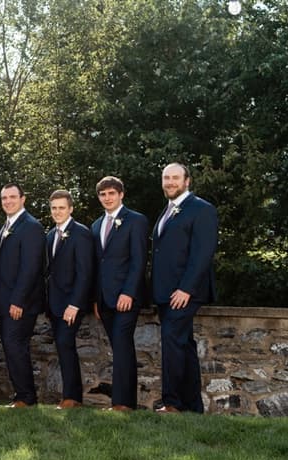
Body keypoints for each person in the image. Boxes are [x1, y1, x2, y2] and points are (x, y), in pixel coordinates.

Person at [152, 163, 218, 414]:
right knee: (184, 346)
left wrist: (186, 289)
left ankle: (172, 403)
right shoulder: (168, 210)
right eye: (166, 178)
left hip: (184, 293)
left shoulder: (202, 209)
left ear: (187, 181)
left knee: (172, 343)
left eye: (175, 178)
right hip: (166, 292)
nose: (170, 182)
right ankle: (193, 406)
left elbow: (202, 254)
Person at [91, 176, 148, 412]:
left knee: (123, 345)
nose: (107, 198)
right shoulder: (95, 226)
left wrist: (129, 293)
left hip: (126, 297)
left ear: (121, 194)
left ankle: (123, 403)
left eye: (111, 193)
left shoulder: (135, 220)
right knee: (118, 347)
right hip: (104, 299)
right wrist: (95, 299)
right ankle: (124, 401)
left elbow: (139, 260)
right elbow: (96, 264)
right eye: (103, 194)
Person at [0, 183, 44, 408]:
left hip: (20, 302)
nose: (8, 201)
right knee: (11, 346)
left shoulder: (31, 226)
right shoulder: (7, 225)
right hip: (5, 300)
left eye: (12, 197)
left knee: (15, 346)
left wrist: (18, 300)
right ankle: (21, 395)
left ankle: (26, 397)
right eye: (4, 198)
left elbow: (31, 267)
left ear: (23, 199)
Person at [45, 190, 94, 409]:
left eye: (61, 208)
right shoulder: (50, 235)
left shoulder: (80, 233)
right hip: (54, 303)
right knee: (62, 346)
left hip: (71, 303)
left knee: (66, 344)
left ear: (71, 209)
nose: (57, 212)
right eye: (54, 208)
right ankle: (70, 397)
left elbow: (85, 272)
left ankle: (72, 398)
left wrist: (75, 304)